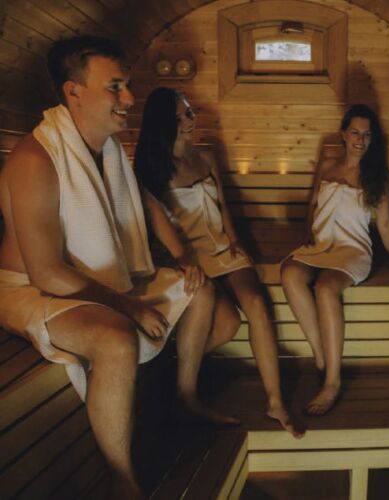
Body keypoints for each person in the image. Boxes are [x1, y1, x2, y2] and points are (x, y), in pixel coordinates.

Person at [0, 37, 236, 499]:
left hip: (93, 279)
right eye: (115, 87)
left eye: (126, 85)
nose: (129, 98)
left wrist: (183, 257)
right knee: (115, 338)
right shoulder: (34, 160)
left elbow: (148, 204)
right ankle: (122, 479)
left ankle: (185, 399)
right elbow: (46, 273)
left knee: (205, 294)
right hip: (29, 288)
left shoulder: (107, 150)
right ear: (73, 91)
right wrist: (127, 306)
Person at [134, 87, 303, 438]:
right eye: (178, 118)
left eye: (189, 113)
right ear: (162, 124)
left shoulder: (206, 155)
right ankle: (170, 375)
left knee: (257, 304)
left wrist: (237, 241)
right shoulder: (151, 170)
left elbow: (223, 206)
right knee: (228, 325)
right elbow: (152, 227)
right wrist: (176, 261)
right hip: (191, 258)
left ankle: (276, 402)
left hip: (224, 250)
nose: (188, 121)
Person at [281, 104, 389, 415]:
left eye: (367, 134)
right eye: (355, 132)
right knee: (289, 273)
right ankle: (321, 356)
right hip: (320, 244)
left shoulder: (378, 177)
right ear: (343, 134)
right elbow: (312, 203)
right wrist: (307, 233)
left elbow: (385, 224)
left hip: (352, 249)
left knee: (325, 288)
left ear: (372, 139)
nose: (361, 140)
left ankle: (332, 382)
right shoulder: (327, 166)